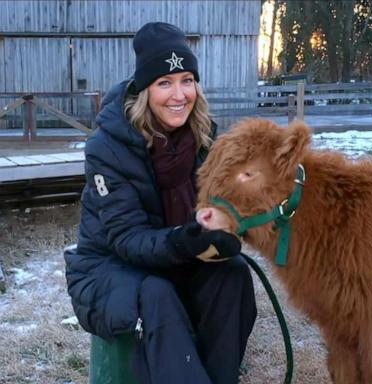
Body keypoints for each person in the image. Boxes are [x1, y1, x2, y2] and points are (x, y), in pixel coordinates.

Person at [64, 21, 257, 384]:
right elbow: (126, 238)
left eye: (187, 80)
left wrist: (227, 232)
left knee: (232, 276)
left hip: (174, 260)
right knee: (156, 294)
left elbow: (220, 208)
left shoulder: (204, 137)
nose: (179, 94)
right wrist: (183, 240)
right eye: (164, 83)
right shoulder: (108, 147)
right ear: (145, 90)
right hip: (108, 267)